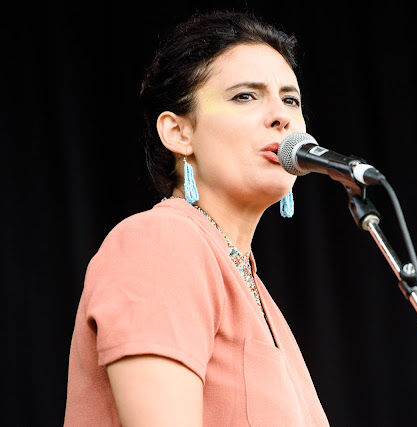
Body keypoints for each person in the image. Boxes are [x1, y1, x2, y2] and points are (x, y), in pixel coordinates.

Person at [64, 10, 329, 426]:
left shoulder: (250, 283)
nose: (282, 116)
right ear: (178, 133)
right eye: (246, 95)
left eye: (290, 98)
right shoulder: (160, 242)